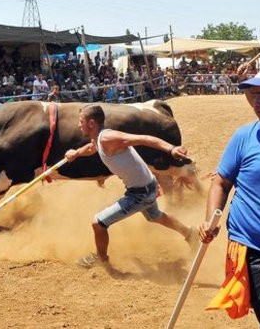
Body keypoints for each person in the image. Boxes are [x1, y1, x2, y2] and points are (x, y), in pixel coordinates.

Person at [65, 104, 195, 268]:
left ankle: (101, 259)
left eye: (81, 121)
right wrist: (76, 153)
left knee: (98, 223)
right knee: (156, 216)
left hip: (140, 193)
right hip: (147, 186)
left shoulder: (108, 138)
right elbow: (92, 147)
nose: (78, 124)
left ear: (91, 123)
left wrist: (171, 149)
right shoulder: (99, 139)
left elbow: (144, 139)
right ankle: (191, 234)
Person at [198, 66, 260, 324]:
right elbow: (222, 182)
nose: (258, 103)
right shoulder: (244, 137)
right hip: (254, 248)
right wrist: (210, 220)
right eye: (254, 95)